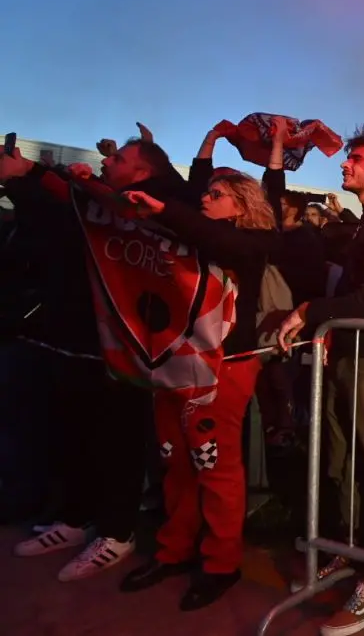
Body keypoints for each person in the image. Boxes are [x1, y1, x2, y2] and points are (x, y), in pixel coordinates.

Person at [1, 138, 193, 585]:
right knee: (73, 434)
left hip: (123, 346)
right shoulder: (91, 199)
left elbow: (176, 196)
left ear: (144, 175)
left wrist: (29, 174)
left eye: (120, 160)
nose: (106, 163)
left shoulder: (156, 205)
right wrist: (26, 179)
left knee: (117, 442)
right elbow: (53, 212)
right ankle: (75, 518)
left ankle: (116, 531)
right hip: (74, 337)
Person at [276, 129, 364, 636]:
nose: (345, 164)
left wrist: (310, 311)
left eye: (356, 158)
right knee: (343, 461)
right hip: (348, 357)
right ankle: (350, 553)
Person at [120, 171, 282, 610]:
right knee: (175, 462)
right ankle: (175, 550)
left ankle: (221, 564)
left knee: (215, 466)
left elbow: (223, 244)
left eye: (217, 195)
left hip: (224, 368)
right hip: (176, 363)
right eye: (205, 193)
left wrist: (172, 212)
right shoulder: (187, 234)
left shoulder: (252, 243)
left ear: (243, 205)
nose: (206, 200)